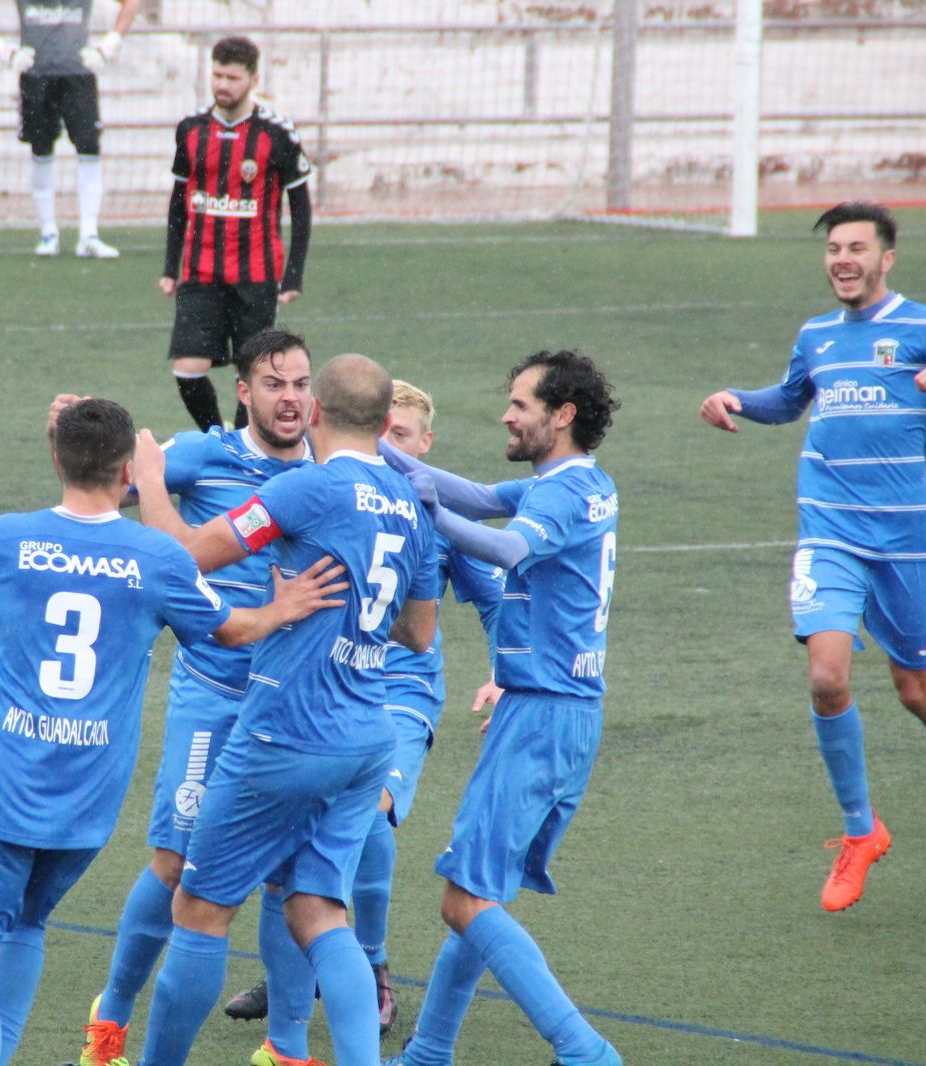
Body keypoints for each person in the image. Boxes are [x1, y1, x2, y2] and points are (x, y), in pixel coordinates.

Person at [0, 397, 346, 1066]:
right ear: (128, 478)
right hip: (87, 803)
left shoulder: (2, 540)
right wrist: (282, 606)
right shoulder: (156, 558)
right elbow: (232, 628)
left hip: (1, 789)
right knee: (28, 922)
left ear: (55, 458)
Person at [130, 353, 440, 1066]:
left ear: (321, 414)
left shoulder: (307, 488)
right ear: (389, 424)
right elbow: (419, 634)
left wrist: (150, 478)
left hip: (288, 731)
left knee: (200, 908)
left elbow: (185, 558)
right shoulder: (411, 505)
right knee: (318, 910)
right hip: (368, 735)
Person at [699, 200, 926, 912]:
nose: (843, 259)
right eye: (834, 248)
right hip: (829, 532)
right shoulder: (817, 335)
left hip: (908, 540)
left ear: (886, 258)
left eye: (857, 247)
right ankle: (861, 832)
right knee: (827, 678)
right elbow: (789, 399)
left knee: (916, 690)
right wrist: (737, 398)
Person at [222, 381, 506, 1056]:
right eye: (386, 437)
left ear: (425, 445)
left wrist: (506, 673)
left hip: (399, 693)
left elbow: (495, 599)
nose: (392, 450)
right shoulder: (331, 494)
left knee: (371, 814)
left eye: (404, 439)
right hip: (326, 688)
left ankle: (370, 962)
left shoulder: (425, 512)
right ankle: (297, 979)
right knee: (290, 837)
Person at [380, 349, 623, 1066]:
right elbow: (482, 498)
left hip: (543, 714)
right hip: (562, 713)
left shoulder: (559, 495)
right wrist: (385, 457)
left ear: (563, 415)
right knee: (479, 895)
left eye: (520, 404)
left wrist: (428, 511)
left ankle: (584, 1051)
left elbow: (505, 544)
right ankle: (429, 1054)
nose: (506, 415)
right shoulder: (583, 482)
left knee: (463, 902)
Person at [163, 35, 313, 434]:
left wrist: (293, 274)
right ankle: (221, 437)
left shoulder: (277, 132)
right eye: (216, 75)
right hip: (200, 271)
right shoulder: (191, 129)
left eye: (231, 77)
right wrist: (169, 267)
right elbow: (178, 202)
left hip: (256, 275)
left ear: (253, 79)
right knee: (187, 370)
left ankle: (249, 448)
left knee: (258, 374)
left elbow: (301, 209)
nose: (222, 85)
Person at [0, 0, 139, 258]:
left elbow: (132, 3)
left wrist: (107, 47)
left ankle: (89, 235)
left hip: (78, 76)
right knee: (41, 150)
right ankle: (48, 233)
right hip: (36, 76)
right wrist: (3, 50)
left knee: (89, 149)